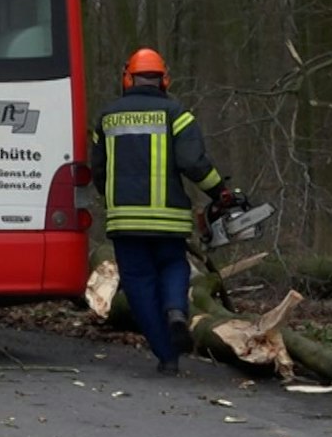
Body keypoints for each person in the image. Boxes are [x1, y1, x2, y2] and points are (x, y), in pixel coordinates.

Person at [88, 48, 233, 376]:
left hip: (125, 220)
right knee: (172, 267)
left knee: (138, 284)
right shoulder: (177, 114)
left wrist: (111, 197)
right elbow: (194, 164)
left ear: (127, 78)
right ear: (164, 79)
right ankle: (176, 312)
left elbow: (99, 170)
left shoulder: (107, 118)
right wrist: (219, 192)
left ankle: (167, 356)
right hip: (169, 219)